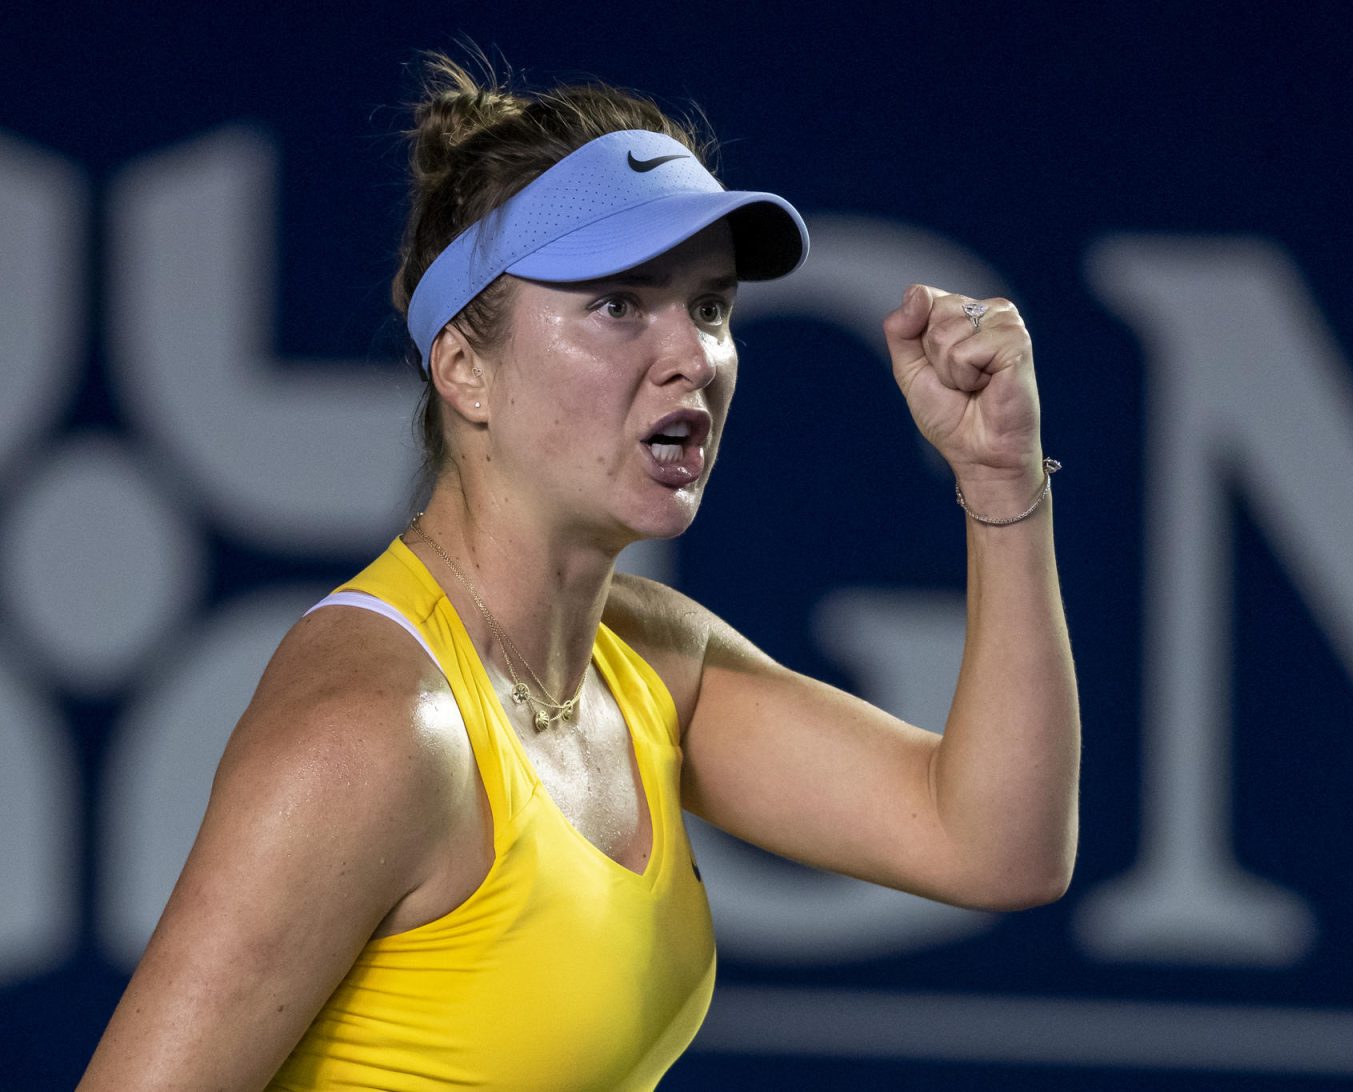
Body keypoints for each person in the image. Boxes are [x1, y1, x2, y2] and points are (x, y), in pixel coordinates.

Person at [79, 54, 1079, 1091]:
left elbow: (994, 844)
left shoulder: (652, 661)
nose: (692, 356)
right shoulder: (375, 730)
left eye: (710, 307)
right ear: (464, 366)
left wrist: (1000, 477)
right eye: (617, 304)